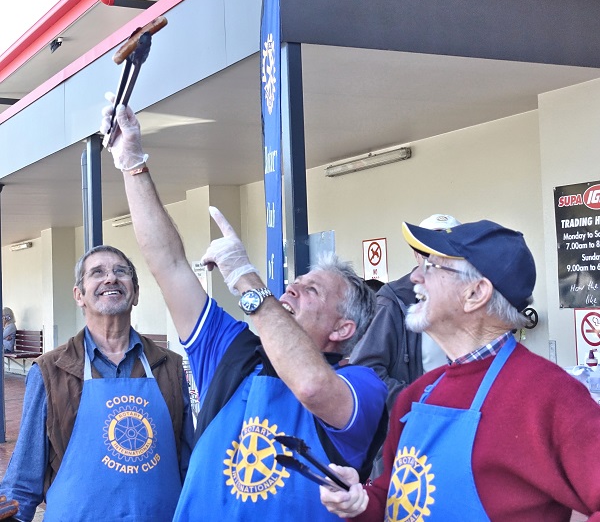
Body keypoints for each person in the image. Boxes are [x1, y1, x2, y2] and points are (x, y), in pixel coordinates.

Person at [100, 100, 388, 521]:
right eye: (294, 282)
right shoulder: (233, 350)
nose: (291, 288)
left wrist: (244, 277)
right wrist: (132, 163)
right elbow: (169, 264)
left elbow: (310, 384)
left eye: (310, 290)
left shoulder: (363, 386)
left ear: (343, 328)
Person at [320, 219, 600, 521]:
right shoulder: (415, 396)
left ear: (475, 293)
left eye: (432, 268)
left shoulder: (551, 395)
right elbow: (393, 499)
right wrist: (359, 502)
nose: (416, 277)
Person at [0, 245, 194, 522]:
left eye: (121, 271)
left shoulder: (170, 367)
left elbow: (190, 466)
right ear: (79, 296)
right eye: (97, 272)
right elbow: (23, 478)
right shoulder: (49, 371)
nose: (110, 278)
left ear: (135, 293)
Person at [350, 214, 459, 479]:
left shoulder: (465, 297)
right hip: (407, 436)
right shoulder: (394, 300)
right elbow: (365, 368)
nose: (434, 257)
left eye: (444, 247)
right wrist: (418, 401)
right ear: (415, 253)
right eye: (426, 249)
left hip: (458, 428)